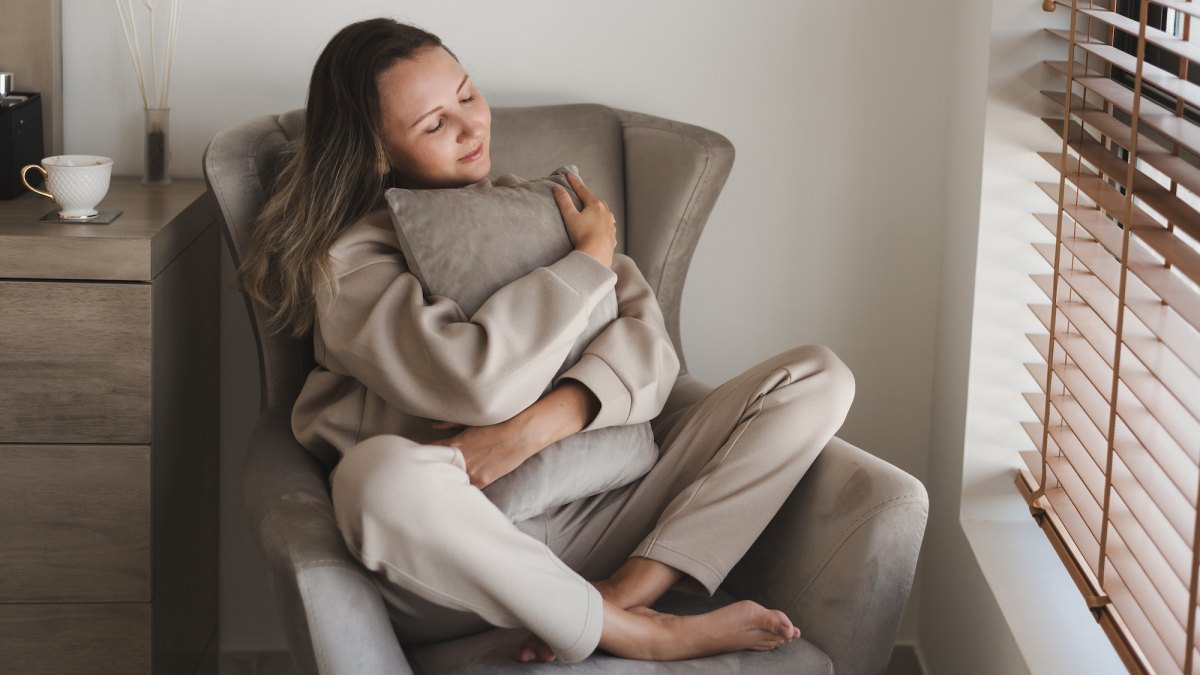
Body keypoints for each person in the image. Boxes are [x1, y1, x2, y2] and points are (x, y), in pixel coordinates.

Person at [238, 17, 855, 665]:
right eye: (434, 124)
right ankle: (641, 632)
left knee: (818, 376)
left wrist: (534, 428)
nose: (472, 127)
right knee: (376, 478)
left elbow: (653, 356)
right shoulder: (349, 264)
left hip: (608, 515)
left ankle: (628, 589)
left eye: (468, 96)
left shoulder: (546, 207)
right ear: (375, 151)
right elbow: (475, 382)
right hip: (468, 556)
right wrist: (589, 260)